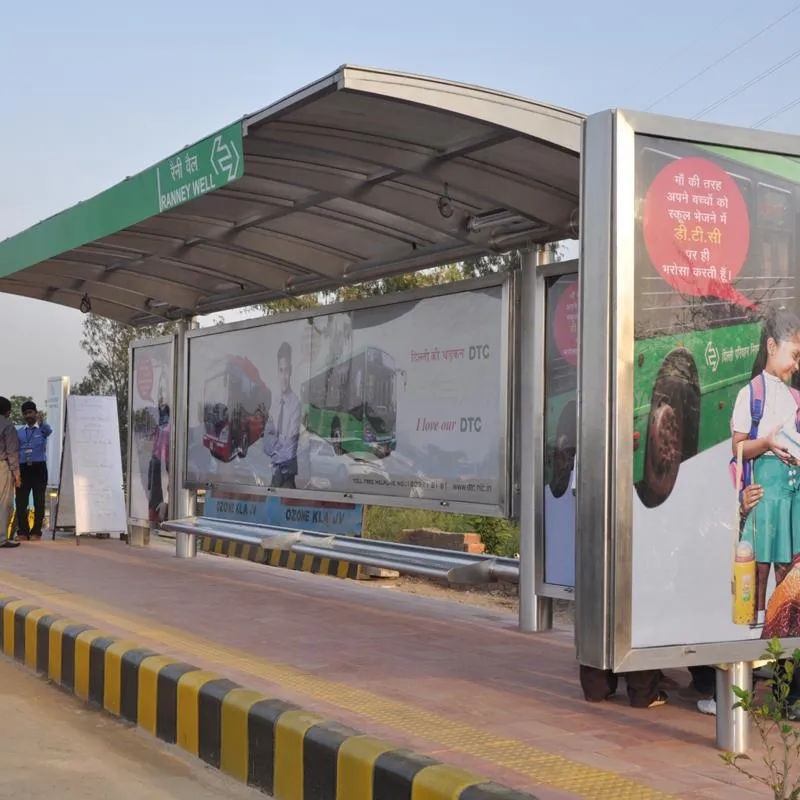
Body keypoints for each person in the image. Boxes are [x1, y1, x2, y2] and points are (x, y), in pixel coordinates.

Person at [731, 310, 800, 626]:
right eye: (794, 355)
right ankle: (755, 640)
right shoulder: (751, 395)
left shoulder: (795, 398)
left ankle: (781, 639)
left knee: (787, 576)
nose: (796, 365)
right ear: (772, 347)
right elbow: (739, 447)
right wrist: (768, 444)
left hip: (791, 500)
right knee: (758, 571)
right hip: (764, 500)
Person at [263, 341, 300, 488]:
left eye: (286, 371)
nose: (284, 376)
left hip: (287, 478)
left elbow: (290, 449)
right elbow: (266, 445)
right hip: (275, 475)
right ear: (277, 371)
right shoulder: (274, 404)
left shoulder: (295, 404)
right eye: (281, 370)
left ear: (290, 371)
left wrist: (276, 443)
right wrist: (281, 441)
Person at [15, 400, 52, 541]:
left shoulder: (42, 430)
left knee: (39, 501)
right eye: (25, 413)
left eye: (30, 412)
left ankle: (36, 531)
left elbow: (49, 431)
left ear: (35, 413)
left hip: (39, 468)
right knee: (21, 502)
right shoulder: (19, 432)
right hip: (23, 468)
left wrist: (41, 422)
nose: (28, 415)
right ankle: (23, 532)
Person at [0, 398, 21, 548]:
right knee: (4, 504)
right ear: (7, 412)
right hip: (2, 467)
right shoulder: (8, 425)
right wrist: (17, 474)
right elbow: (12, 452)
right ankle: (1, 538)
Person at [147, 403, 170, 525]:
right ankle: (159, 515)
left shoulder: (164, 428)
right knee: (159, 490)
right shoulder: (163, 428)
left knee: (157, 491)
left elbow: (157, 446)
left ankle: (159, 514)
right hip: (160, 462)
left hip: (161, 461)